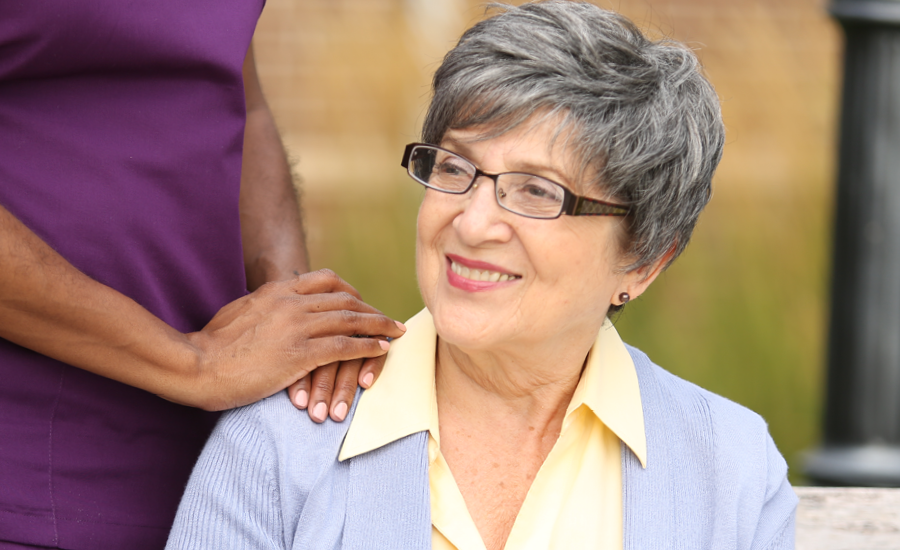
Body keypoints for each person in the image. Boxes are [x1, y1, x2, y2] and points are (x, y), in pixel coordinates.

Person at [167, 2, 798, 549]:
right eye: (455, 168)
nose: (471, 224)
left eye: (535, 191)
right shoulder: (281, 444)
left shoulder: (731, 467)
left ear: (643, 259)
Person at [0, 1, 405, 549]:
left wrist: (292, 313)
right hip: (36, 469)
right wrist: (191, 362)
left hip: (214, 476)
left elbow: (241, 100)